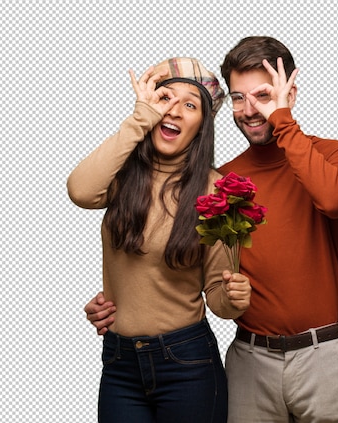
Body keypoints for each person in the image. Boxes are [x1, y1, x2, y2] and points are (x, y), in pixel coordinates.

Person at [85, 37, 338, 422]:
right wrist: (124, 302)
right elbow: (191, 273)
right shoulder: (224, 182)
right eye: (238, 97)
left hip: (326, 356)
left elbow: (334, 200)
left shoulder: (333, 154)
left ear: (290, 94)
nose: (250, 110)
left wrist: (282, 120)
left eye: (264, 95)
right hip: (250, 359)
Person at [67, 57, 251, 423]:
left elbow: (218, 298)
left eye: (190, 105)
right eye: (166, 98)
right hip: (120, 362)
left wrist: (235, 298)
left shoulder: (217, 192)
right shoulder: (121, 177)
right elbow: (80, 191)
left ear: (202, 125)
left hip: (187, 363)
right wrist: (139, 118)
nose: (175, 112)